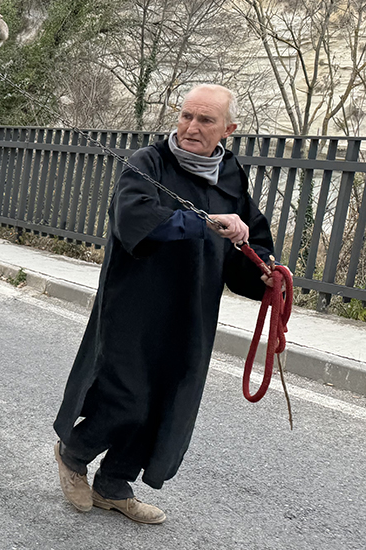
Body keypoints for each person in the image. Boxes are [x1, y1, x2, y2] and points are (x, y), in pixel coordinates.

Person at [52, 84, 276, 525]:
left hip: (191, 310)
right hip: (135, 306)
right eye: (186, 116)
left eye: (205, 120)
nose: (191, 127)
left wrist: (265, 271)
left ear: (228, 129)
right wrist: (203, 223)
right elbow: (134, 220)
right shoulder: (147, 163)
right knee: (128, 397)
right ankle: (73, 454)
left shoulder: (231, 174)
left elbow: (248, 239)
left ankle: (114, 484)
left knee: (163, 402)